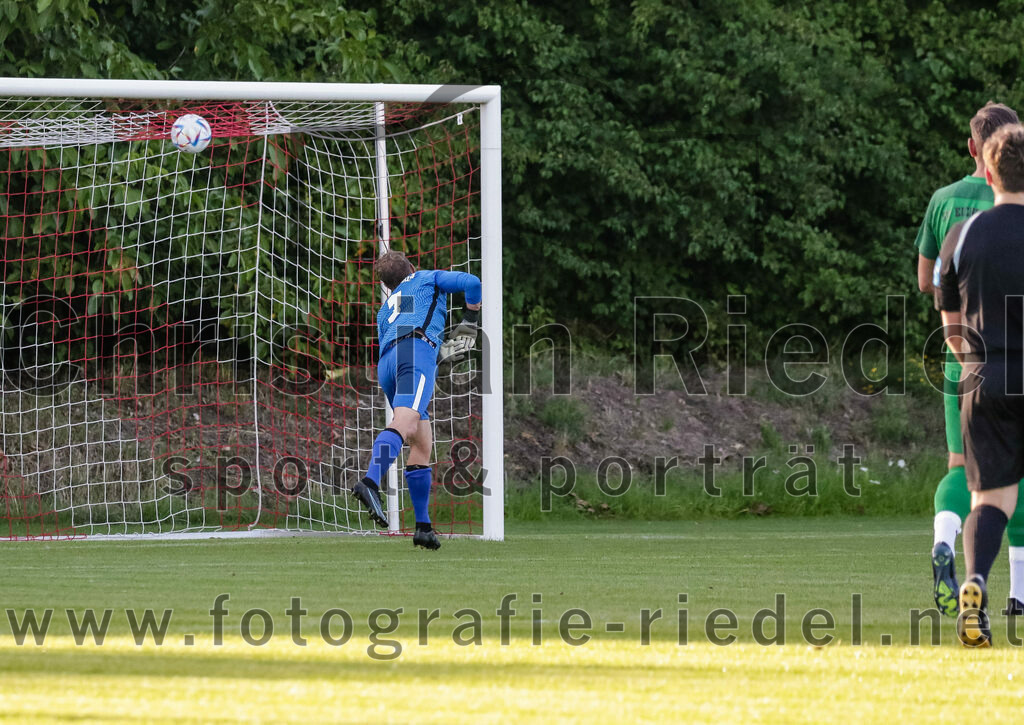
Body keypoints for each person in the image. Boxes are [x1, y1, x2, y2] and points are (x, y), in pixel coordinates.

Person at [915, 101, 1024, 617]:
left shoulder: (960, 231)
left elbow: (948, 321)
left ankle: (975, 582)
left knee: (988, 496)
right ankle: (1019, 593)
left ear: (985, 163)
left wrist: (974, 366)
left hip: (981, 375)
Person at [352, 251, 482, 550]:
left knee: (421, 442)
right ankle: (370, 482)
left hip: (388, 364)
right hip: (414, 351)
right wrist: (471, 318)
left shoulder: (387, 308)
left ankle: (423, 527)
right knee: (406, 421)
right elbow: (472, 282)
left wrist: (439, 350)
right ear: (411, 266)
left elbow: (405, 329)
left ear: (387, 285)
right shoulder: (426, 277)